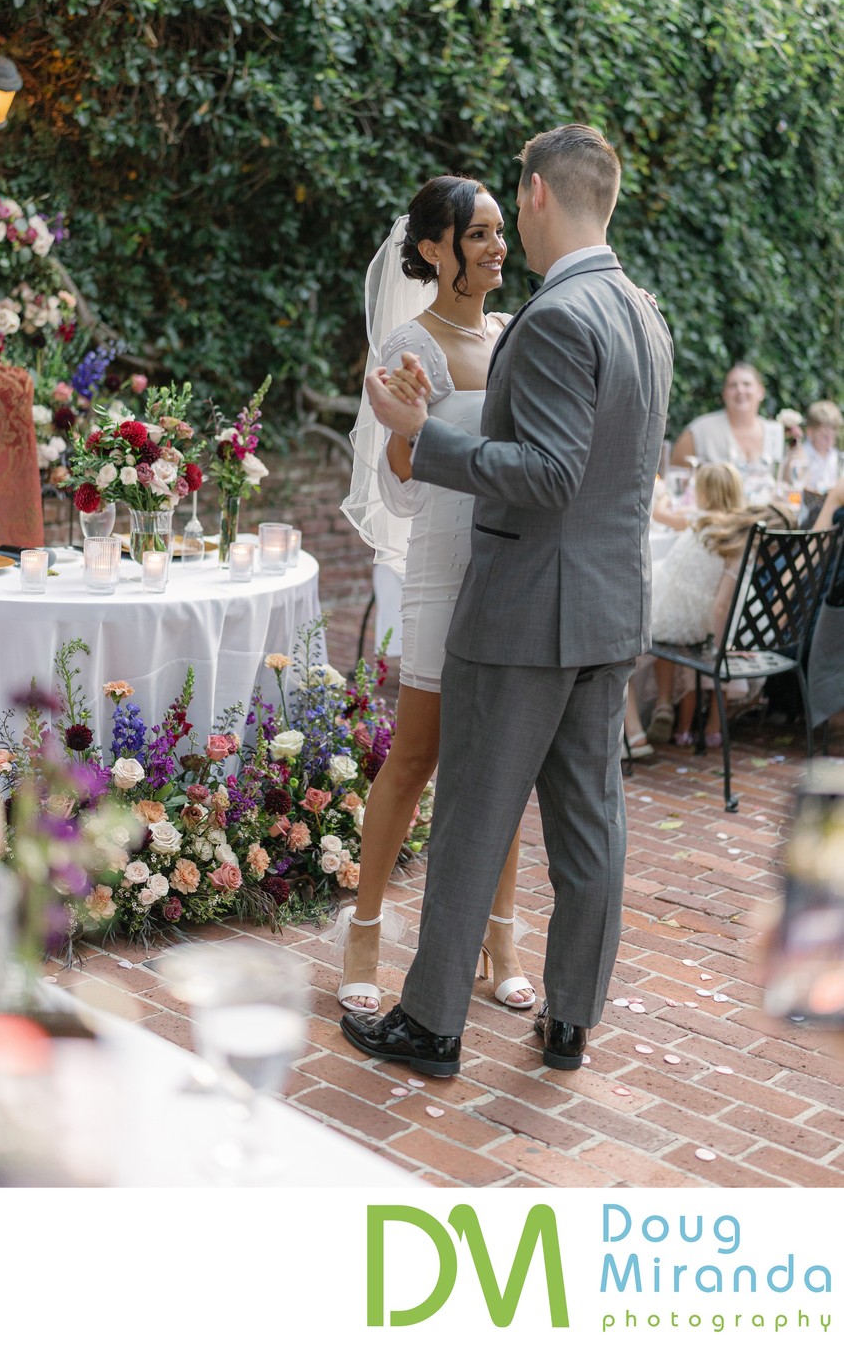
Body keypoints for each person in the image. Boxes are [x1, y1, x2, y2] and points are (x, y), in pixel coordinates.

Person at [341, 123, 673, 1077]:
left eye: (508, 213)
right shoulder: (641, 310)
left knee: (475, 817)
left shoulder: (559, 315)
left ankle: (433, 1024)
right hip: (609, 613)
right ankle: (569, 1022)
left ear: (534, 194)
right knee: (588, 825)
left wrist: (425, 434)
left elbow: (552, 472)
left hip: (526, 610)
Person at [334, 176, 535, 1016]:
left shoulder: (515, 336)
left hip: (512, 573)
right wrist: (413, 428)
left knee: (503, 768)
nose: (496, 247)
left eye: (498, 231)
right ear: (430, 248)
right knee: (414, 758)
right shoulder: (405, 346)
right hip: (443, 569)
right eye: (478, 234)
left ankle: (500, 939)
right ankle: (366, 932)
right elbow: (405, 491)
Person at [625, 464, 795, 749]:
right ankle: (673, 712)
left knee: (620, 652)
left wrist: (719, 651)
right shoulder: (744, 545)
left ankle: (637, 733)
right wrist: (722, 647)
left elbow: (718, 606)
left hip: (668, 615)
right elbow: (721, 607)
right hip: (691, 625)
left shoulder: (702, 520)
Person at [671, 363, 784, 469]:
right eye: (733, 385)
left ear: (761, 392)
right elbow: (675, 475)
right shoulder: (699, 431)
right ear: (724, 394)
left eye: (747, 384)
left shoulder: (774, 432)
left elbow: (786, 482)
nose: (740, 390)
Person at [801, 401, 843, 493]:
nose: (829, 438)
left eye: (833, 431)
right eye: (823, 435)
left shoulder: (838, 458)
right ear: (810, 432)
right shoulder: (802, 454)